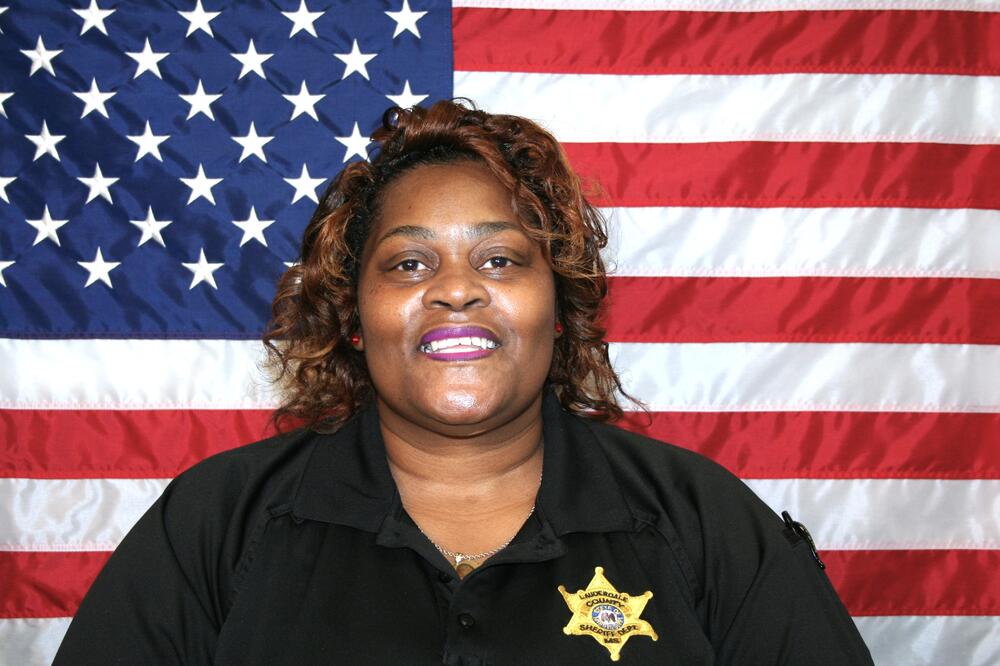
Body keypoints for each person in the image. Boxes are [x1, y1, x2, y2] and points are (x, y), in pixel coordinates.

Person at [54, 100, 874, 665]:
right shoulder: (217, 524)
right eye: (409, 263)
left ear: (558, 306)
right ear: (352, 314)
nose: (455, 289)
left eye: (500, 260)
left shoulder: (701, 521)